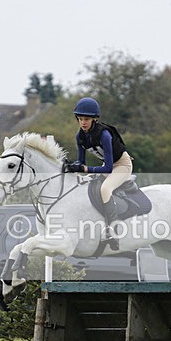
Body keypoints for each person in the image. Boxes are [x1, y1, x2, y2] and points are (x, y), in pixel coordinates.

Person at [65, 97, 132, 249]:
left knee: (105, 189)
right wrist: (71, 166)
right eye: (80, 119)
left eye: (86, 119)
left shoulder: (104, 135)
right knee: (85, 184)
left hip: (122, 166)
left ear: (94, 119)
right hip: (108, 166)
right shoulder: (80, 136)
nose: (83, 122)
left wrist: (86, 169)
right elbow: (81, 162)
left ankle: (113, 232)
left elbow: (108, 168)